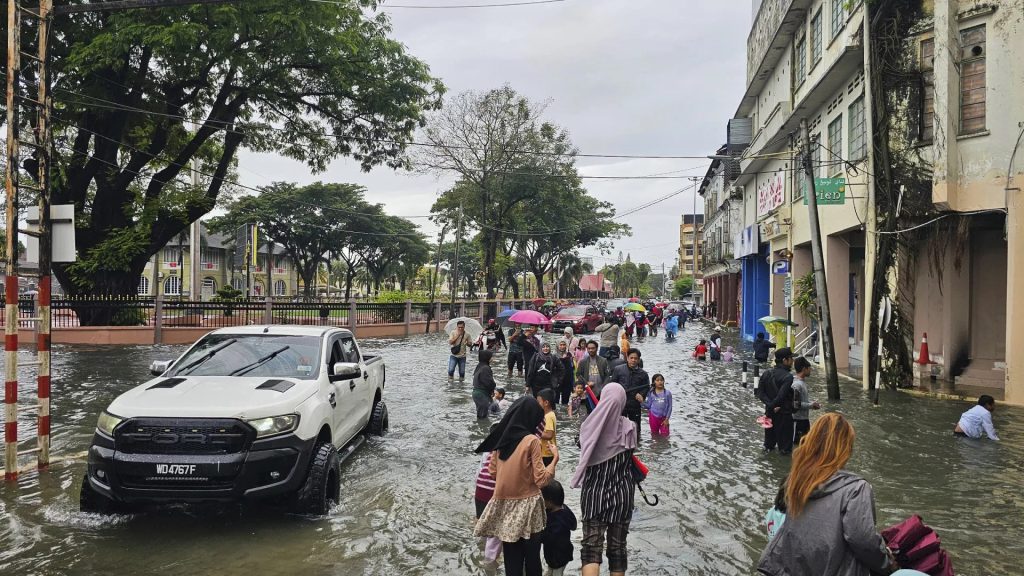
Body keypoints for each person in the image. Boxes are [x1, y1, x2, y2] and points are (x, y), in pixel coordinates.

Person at [757, 413, 896, 576]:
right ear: (845, 448)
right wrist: (888, 562)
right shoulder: (856, 489)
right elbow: (863, 540)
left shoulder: (796, 480)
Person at [475, 397, 559, 576]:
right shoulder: (531, 441)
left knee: (512, 562)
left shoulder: (502, 440)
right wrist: (554, 461)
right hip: (529, 509)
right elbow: (541, 480)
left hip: (505, 507)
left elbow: (493, 473)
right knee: (532, 561)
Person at [571, 383, 638, 576]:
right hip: (623, 495)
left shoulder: (588, 427)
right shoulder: (631, 428)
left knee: (591, 547)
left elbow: (580, 446)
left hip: (594, 495)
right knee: (618, 548)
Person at [757, 348, 796, 455]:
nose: (792, 361)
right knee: (785, 450)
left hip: (769, 416)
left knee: (768, 446)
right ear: (785, 360)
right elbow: (781, 396)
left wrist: (770, 407)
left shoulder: (766, 373)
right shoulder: (788, 377)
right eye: (791, 358)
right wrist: (773, 406)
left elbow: (760, 393)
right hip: (784, 415)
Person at [609, 348, 650, 443]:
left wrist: (642, 395)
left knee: (636, 428)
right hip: (620, 404)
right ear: (627, 358)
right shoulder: (618, 369)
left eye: (636, 358)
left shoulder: (643, 374)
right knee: (618, 427)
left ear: (639, 360)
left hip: (634, 404)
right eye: (631, 358)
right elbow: (612, 384)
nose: (633, 360)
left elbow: (646, 387)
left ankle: (636, 446)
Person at [541, 480, 577, 576]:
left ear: (549, 501)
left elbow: (549, 537)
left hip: (558, 557)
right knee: (549, 572)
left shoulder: (556, 521)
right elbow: (574, 525)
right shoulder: (564, 509)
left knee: (557, 573)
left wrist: (537, 535)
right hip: (562, 554)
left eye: (542, 498)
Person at [791, 357, 821, 446]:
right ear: (804, 369)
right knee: (797, 445)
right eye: (809, 368)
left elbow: (800, 401)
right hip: (797, 420)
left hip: (804, 420)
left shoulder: (802, 382)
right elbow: (795, 404)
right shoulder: (797, 384)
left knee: (805, 446)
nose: (811, 370)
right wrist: (811, 405)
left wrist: (811, 404)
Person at [473, 350, 499, 419]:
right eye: (491, 357)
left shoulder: (479, 366)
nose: (492, 358)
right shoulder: (485, 368)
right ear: (486, 358)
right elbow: (489, 382)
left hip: (477, 393)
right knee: (483, 417)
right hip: (482, 394)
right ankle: (482, 429)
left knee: (480, 414)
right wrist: (493, 388)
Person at [536, 389, 558, 466]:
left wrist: (534, 431)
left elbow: (549, 435)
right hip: (547, 452)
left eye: (538, 402)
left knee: (545, 475)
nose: (537, 404)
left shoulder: (548, 416)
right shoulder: (549, 415)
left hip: (546, 454)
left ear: (546, 403)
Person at [556, 341, 576, 406]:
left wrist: (573, 384)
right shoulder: (554, 355)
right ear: (557, 346)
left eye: (564, 345)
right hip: (557, 381)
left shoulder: (569, 355)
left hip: (567, 381)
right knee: (555, 402)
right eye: (560, 345)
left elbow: (572, 369)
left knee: (565, 402)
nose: (562, 346)